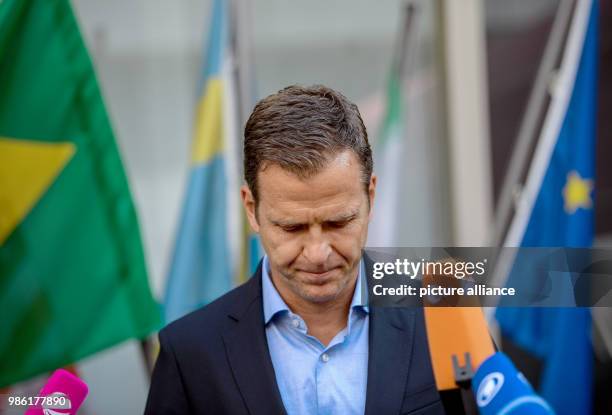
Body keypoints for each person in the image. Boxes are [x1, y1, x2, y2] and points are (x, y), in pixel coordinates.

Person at [144, 85, 444, 414]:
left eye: (338, 222)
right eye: (292, 227)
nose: (317, 253)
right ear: (250, 208)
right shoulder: (190, 354)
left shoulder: (445, 320)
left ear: (371, 197)